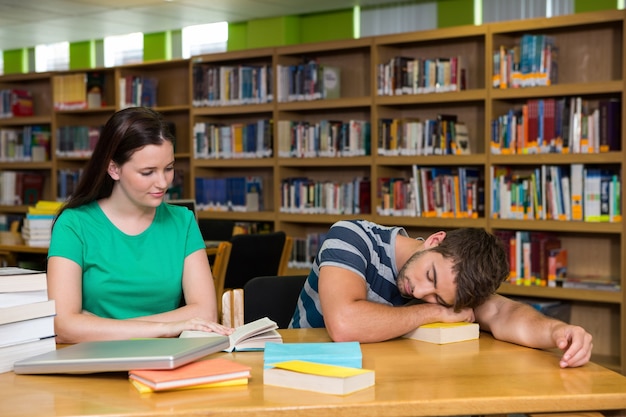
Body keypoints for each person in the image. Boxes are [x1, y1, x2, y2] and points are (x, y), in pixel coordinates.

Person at [290, 219, 593, 368]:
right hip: (302, 371)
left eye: (439, 297)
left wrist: (560, 332)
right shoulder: (352, 237)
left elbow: (503, 313)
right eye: (430, 275)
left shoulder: (452, 284)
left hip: (377, 380)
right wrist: (435, 311)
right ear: (435, 240)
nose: (419, 291)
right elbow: (344, 324)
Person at [47, 107, 232, 343]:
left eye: (169, 168)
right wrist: (168, 327)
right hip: (95, 364)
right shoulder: (74, 225)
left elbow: (205, 313)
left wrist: (97, 326)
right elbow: (63, 325)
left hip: (164, 361)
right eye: (148, 172)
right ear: (114, 169)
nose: (163, 183)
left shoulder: (182, 221)